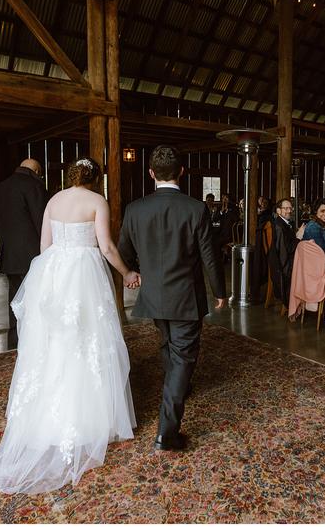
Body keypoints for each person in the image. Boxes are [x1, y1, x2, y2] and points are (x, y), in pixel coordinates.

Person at [0, 158, 139, 494]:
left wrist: (52, 276)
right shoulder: (97, 201)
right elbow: (107, 247)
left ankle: (48, 418)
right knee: (89, 341)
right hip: (85, 275)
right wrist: (127, 272)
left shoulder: (54, 200)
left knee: (56, 343)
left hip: (56, 272)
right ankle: (93, 418)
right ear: (94, 178)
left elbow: (45, 247)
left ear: (71, 175)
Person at [118, 146, 227, 451]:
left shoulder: (135, 209)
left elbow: (124, 252)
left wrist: (132, 272)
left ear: (151, 173)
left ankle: (179, 386)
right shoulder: (195, 209)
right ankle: (167, 432)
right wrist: (220, 291)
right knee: (182, 356)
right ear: (180, 172)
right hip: (185, 298)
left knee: (169, 344)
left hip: (153, 296)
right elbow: (210, 256)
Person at [0, 158, 48, 349]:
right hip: (32, 256)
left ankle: (15, 339)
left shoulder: (0, 187)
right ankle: (36, 340)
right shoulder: (34, 186)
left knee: (15, 298)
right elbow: (42, 223)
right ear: (37, 170)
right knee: (37, 297)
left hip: (9, 254)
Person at [268, 198, 299, 306]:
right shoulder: (279, 226)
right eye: (286, 208)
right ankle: (298, 302)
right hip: (282, 266)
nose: (289, 211)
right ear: (278, 211)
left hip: (282, 260)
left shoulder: (284, 223)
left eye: (290, 208)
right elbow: (286, 250)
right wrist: (298, 237)